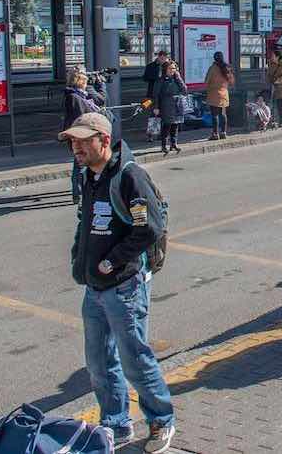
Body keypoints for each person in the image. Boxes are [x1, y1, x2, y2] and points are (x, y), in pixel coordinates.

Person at [59, 113, 175, 453]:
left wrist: (111, 261)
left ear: (104, 141)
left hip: (124, 286)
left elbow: (148, 228)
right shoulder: (88, 176)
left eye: (82, 140)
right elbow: (87, 221)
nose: (76, 147)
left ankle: (161, 420)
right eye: (72, 141)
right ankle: (115, 423)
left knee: (134, 359)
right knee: (98, 362)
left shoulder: (130, 177)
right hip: (94, 287)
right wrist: (79, 259)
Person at [63, 67, 108, 204]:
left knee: (82, 165)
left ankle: (82, 191)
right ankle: (77, 194)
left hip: (85, 135)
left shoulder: (80, 95)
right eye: (85, 81)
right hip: (81, 136)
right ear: (80, 81)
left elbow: (100, 100)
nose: (87, 84)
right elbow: (81, 118)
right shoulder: (74, 97)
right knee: (79, 166)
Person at [151, 61, 186, 154]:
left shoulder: (176, 79)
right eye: (170, 68)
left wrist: (178, 78)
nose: (172, 70)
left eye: (174, 68)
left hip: (177, 104)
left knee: (175, 125)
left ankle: (173, 144)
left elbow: (184, 90)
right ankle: (163, 145)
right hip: (166, 104)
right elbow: (156, 94)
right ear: (165, 69)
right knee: (167, 125)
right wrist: (156, 107)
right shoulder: (161, 80)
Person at [204, 51, 234, 140]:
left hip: (214, 93)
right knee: (223, 114)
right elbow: (232, 81)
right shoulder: (227, 68)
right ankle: (223, 132)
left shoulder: (212, 68)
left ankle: (215, 134)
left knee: (214, 115)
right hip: (224, 93)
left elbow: (206, 81)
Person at [266, 50, 282, 127]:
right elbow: (269, 74)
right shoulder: (271, 63)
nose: (271, 57)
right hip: (275, 86)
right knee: (278, 105)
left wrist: (277, 81)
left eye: (273, 55)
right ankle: (281, 121)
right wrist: (269, 80)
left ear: (277, 57)